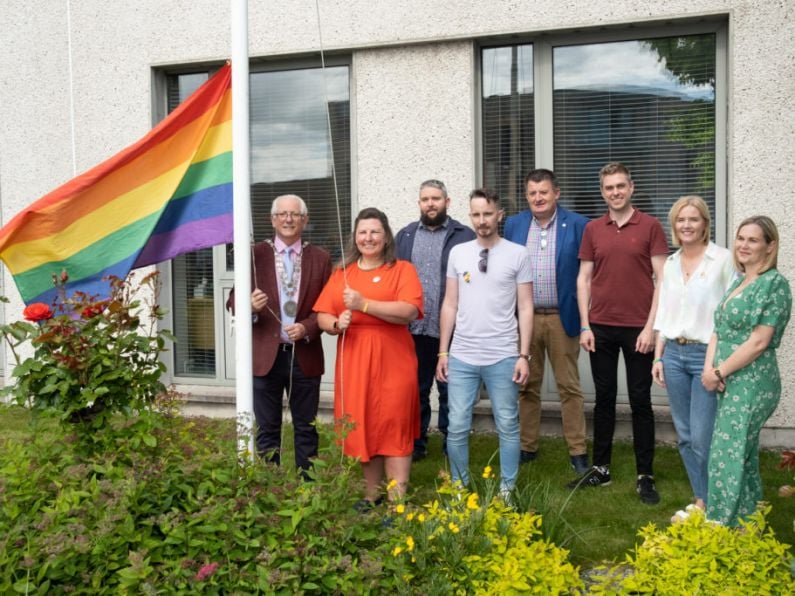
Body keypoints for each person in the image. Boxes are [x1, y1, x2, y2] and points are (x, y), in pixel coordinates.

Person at [570, 162, 668, 505]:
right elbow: (583, 279)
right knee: (604, 399)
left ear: (632, 187)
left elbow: (663, 281)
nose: (615, 192)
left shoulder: (651, 226)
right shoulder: (594, 229)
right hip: (601, 327)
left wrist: (651, 328)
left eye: (621, 186)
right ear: (603, 192)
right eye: (609, 187)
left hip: (639, 329)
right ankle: (601, 468)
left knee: (641, 401)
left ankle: (645, 474)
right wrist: (585, 324)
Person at [314, 207, 423, 505]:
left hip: (393, 360)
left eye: (375, 231)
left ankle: (396, 500)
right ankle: (371, 494)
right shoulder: (342, 273)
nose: (368, 237)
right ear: (355, 237)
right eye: (362, 232)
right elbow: (323, 314)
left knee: (394, 422)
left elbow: (409, 311)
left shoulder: (402, 270)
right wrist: (336, 324)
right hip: (355, 360)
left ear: (386, 237)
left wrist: (364, 304)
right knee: (362, 423)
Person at [436, 188, 533, 496]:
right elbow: (450, 303)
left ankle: (507, 489)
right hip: (463, 355)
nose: (482, 220)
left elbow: (526, 306)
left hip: (503, 354)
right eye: (476, 214)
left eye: (487, 214)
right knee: (457, 426)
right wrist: (443, 351)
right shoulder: (458, 253)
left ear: (499, 215)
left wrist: (524, 355)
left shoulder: (518, 253)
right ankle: (459, 488)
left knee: (507, 423)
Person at [226, 194, 332, 473]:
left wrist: (307, 327)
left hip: (304, 354)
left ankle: (308, 489)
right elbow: (233, 301)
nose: (288, 219)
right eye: (282, 214)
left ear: (305, 220)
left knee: (306, 427)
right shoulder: (253, 253)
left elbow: (327, 305)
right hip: (264, 356)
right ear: (272, 220)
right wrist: (248, 305)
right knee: (267, 429)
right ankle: (269, 488)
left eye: (295, 214)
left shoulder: (320, 258)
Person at [701, 216, 791, 527]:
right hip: (728, 378)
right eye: (741, 238)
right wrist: (710, 369)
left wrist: (720, 371)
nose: (743, 245)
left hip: (753, 383)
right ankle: (749, 523)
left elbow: (759, 342)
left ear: (771, 246)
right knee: (743, 454)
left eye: (753, 240)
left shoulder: (774, 285)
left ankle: (720, 525)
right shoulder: (740, 281)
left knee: (727, 454)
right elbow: (718, 329)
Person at [651, 196, 735, 522]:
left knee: (703, 436)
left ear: (704, 223)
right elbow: (664, 313)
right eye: (680, 220)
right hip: (673, 354)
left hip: (705, 355)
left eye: (693, 219)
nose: (686, 225)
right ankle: (702, 500)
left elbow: (729, 314)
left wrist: (719, 363)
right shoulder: (670, 264)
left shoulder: (723, 260)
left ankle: (715, 503)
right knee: (684, 436)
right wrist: (658, 357)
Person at [504, 168, 590, 475]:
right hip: (524, 320)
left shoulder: (578, 224)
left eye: (543, 192)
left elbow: (588, 272)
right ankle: (527, 446)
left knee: (569, 387)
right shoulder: (513, 225)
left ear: (556, 193)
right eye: (532, 193)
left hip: (561, 316)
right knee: (526, 385)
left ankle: (578, 450)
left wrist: (586, 321)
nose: (537, 198)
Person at [396, 179, 476, 461]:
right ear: (419, 203)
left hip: (452, 330)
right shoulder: (405, 236)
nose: (430, 204)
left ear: (447, 202)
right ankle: (417, 442)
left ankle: (450, 443)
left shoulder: (464, 236)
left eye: (436, 198)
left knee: (450, 390)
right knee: (416, 389)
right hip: (414, 329)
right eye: (425, 199)